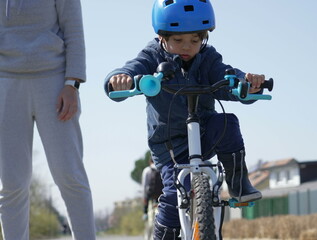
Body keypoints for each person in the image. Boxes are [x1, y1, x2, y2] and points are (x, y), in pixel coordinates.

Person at [104, 0, 264, 238]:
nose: (187, 47)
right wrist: (121, 78)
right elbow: (132, 68)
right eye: (178, 40)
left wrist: (247, 84)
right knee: (173, 194)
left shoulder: (207, 58)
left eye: (195, 40)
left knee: (227, 123)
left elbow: (225, 75)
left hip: (203, 133)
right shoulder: (152, 55)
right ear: (161, 36)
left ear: (204, 38)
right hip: (169, 144)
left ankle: (238, 183)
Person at [0, 0, 96, 239]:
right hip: (5, 82)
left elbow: (73, 29)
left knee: (69, 175)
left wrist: (72, 83)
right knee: (12, 184)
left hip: (55, 82)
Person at [141, 157, 163, 239]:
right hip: (161, 198)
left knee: (150, 223)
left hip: (151, 198)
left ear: (149, 162)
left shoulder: (147, 170)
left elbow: (144, 186)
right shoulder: (162, 168)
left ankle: (148, 238)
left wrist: (144, 199)